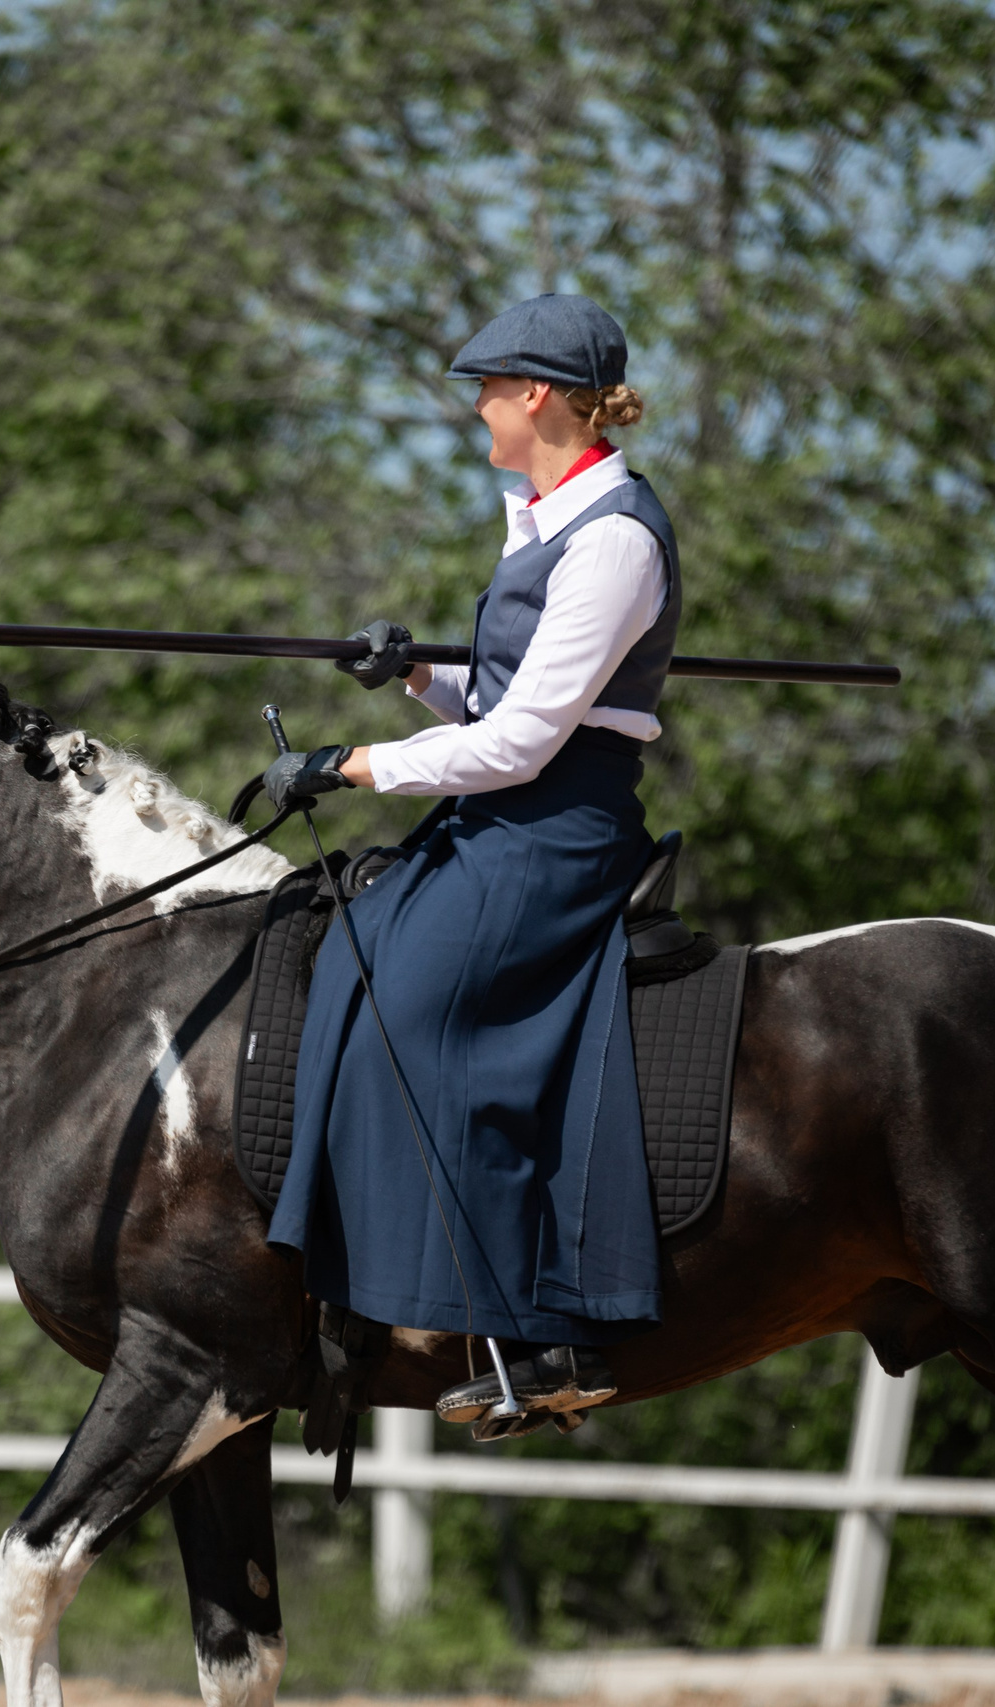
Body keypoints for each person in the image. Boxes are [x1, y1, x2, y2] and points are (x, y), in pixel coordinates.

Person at [261, 293, 677, 1428]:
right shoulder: (547, 525)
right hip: (503, 814)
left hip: (556, 832)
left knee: (421, 1007)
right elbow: (498, 705)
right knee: (353, 957)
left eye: (488, 390)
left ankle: (540, 1332)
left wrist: (351, 766)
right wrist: (411, 680)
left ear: (536, 394)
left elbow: (526, 743)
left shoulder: (615, 542)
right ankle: (355, 1286)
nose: (480, 411)